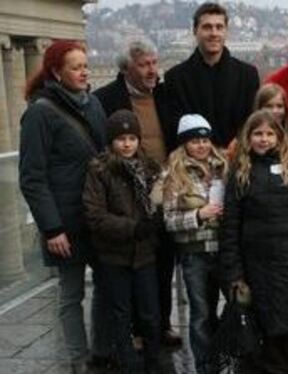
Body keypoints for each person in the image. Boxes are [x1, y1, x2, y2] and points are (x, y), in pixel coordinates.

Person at [19, 40, 113, 370]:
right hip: (65, 222)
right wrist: (51, 227)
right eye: (76, 67)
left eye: (86, 65)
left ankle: (102, 349)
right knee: (71, 293)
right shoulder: (39, 113)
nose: (84, 71)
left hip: (97, 216)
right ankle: (78, 358)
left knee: (106, 285)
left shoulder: (94, 105)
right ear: (57, 72)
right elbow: (32, 177)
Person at [220, 110, 288, 374]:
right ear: (248, 137)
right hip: (256, 268)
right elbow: (230, 229)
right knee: (268, 340)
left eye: (270, 133)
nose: (264, 139)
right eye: (258, 133)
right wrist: (234, 272)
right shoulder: (240, 175)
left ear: (280, 137)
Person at [93, 39, 183, 348]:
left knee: (164, 260)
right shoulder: (105, 99)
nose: (152, 70)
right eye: (144, 64)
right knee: (135, 264)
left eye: (154, 63)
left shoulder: (167, 94)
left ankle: (161, 324)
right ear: (125, 68)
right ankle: (136, 330)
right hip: (126, 195)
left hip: (163, 192)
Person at [82, 110, 162, 373]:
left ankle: (153, 362)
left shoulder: (149, 168)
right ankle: (128, 365)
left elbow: (159, 204)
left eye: (131, 138)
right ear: (111, 141)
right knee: (121, 314)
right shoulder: (100, 169)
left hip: (145, 255)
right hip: (114, 255)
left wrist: (157, 220)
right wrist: (133, 228)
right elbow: (95, 215)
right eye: (120, 139)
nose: (127, 144)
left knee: (150, 313)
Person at [162, 114, 228, 374]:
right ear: (184, 144)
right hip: (194, 254)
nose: (201, 145)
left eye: (204, 139)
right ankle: (205, 365)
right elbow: (169, 220)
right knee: (200, 313)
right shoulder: (174, 173)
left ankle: (226, 353)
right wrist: (198, 215)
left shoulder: (223, 166)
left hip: (223, 250)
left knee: (233, 305)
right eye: (194, 141)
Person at [164, 2, 260, 148]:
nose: (214, 33)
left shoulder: (248, 75)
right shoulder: (175, 78)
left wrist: (238, 143)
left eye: (219, 27)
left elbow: (253, 121)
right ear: (195, 30)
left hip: (238, 160)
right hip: (193, 162)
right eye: (207, 27)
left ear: (226, 31)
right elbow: (175, 129)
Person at [225, 83, 288, 161]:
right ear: (259, 108)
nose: (274, 111)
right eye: (269, 106)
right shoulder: (240, 143)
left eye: (279, 106)